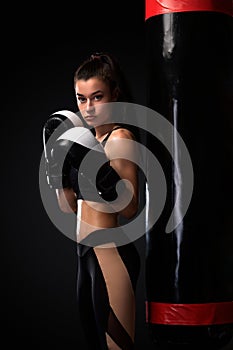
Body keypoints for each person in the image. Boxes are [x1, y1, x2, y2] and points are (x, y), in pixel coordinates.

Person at [45, 52, 141, 349]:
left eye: (97, 97)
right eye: (81, 98)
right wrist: (58, 166)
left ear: (114, 93)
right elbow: (69, 206)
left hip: (111, 254)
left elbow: (130, 208)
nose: (88, 107)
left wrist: (95, 167)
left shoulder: (120, 138)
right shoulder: (85, 141)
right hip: (84, 255)